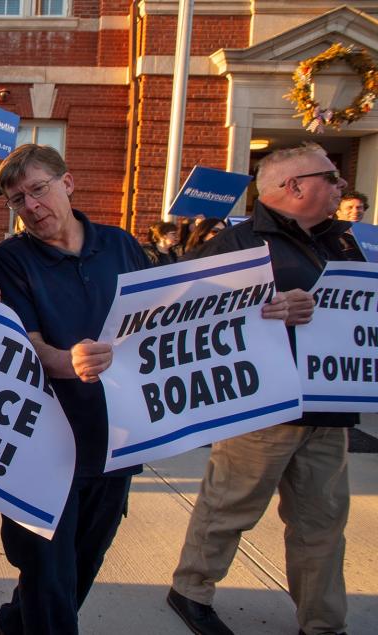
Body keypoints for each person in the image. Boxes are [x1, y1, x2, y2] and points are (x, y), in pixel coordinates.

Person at [168, 143, 363, 635]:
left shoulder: (345, 241)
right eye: (331, 177)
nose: (340, 186)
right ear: (293, 187)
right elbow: (177, 309)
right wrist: (263, 307)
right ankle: (191, 590)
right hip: (262, 410)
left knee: (323, 524)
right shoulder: (237, 244)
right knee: (228, 509)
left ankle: (322, 622)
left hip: (328, 410)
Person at [0, 144, 150, 635]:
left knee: (78, 570)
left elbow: (170, 322)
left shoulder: (121, 245)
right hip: (44, 446)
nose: (32, 207)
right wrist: (68, 361)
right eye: (18, 200)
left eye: (38, 190)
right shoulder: (11, 260)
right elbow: (26, 345)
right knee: (47, 576)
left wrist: (263, 309)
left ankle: (11, 627)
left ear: (68, 183)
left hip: (116, 442)